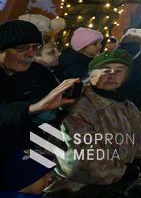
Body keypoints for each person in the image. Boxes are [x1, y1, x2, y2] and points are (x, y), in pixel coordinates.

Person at [46, 49, 141, 194]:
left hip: (118, 187)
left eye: (119, 71)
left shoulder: (128, 106)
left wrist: (139, 161)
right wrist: (122, 173)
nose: (112, 75)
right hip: (78, 190)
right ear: (93, 75)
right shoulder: (79, 107)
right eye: (105, 70)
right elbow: (80, 159)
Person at [1, 20, 78, 195]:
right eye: (22, 48)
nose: (30, 54)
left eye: (35, 47)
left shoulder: (39, 72)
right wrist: (33, 108)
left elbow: (56, 116)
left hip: (31, 151)